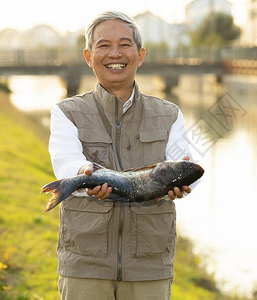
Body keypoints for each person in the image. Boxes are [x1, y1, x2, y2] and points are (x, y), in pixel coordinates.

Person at [48, 11, 193, 300]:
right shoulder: (66, 112)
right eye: (104, 45)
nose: (115, 53)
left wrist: (181, 188)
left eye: (125, 45)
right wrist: (88, 178)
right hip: (85, 264)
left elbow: (186, 166)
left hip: (150, 265)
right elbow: (66, 162)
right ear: (89, 57)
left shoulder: (170, 114)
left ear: (140, 55)